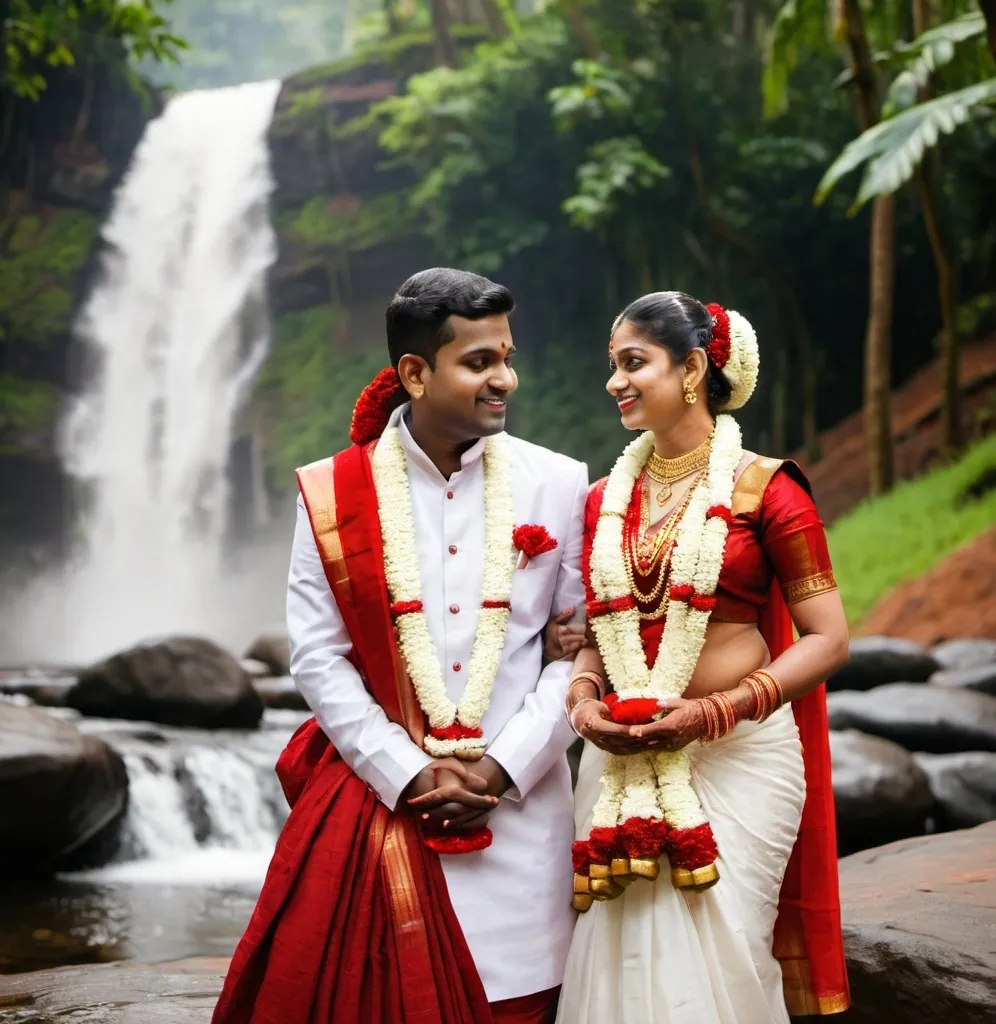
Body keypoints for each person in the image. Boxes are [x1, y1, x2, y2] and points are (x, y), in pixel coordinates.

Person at [212, 268, 588, 1024]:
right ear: (414, 372)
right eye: (480, 362)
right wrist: (408, 773)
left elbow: (578, 653)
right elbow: (317, 656)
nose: (504, 379)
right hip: (385, 816)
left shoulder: (559, 483)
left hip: (520, 821)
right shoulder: (331, 493)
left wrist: (500, 765)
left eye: (508, 357)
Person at [555, 292, 851, 1023]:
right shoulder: (602, 501)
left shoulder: (766, 489)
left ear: (691, 368)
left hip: (739, 756)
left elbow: (829, 638)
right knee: (618, 963)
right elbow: (601, 625)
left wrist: (715, 711)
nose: (615, 382)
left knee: (724, 962)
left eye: (633, 363)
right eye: (612, 367)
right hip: (622, 756)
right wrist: (585, 692)